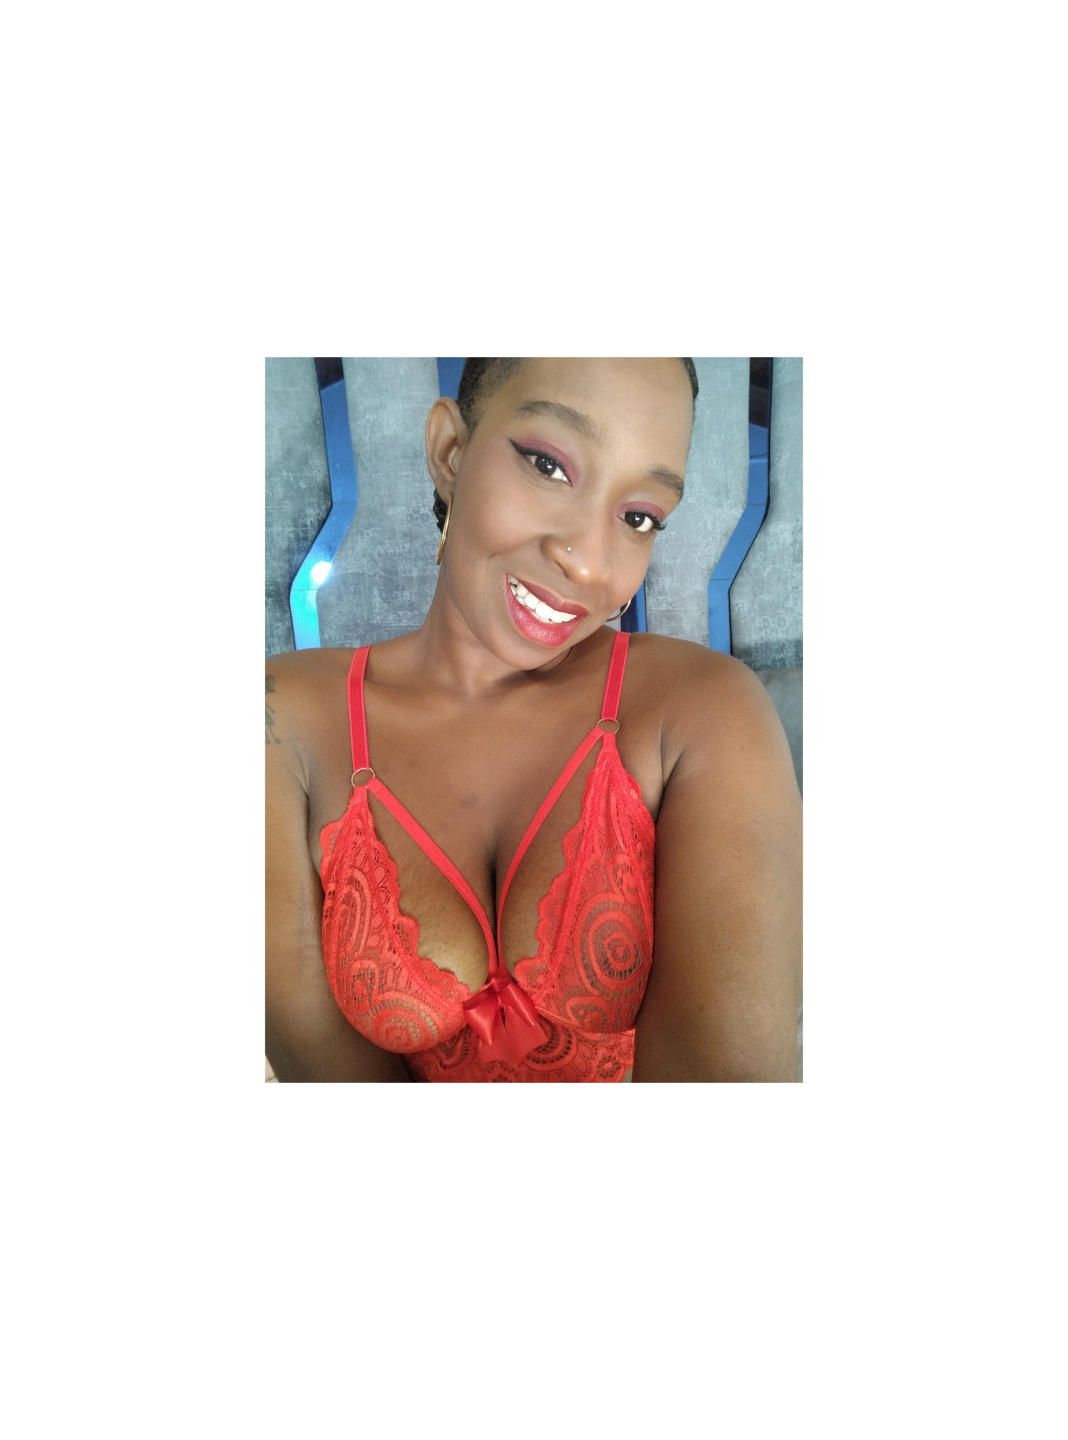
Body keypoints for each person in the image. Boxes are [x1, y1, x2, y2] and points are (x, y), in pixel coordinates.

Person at [266, 358, 801, 1081]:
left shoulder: (703, 713)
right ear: (451, 452)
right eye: (548, 466)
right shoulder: (279, 722)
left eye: (639, 517)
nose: (587, 562)